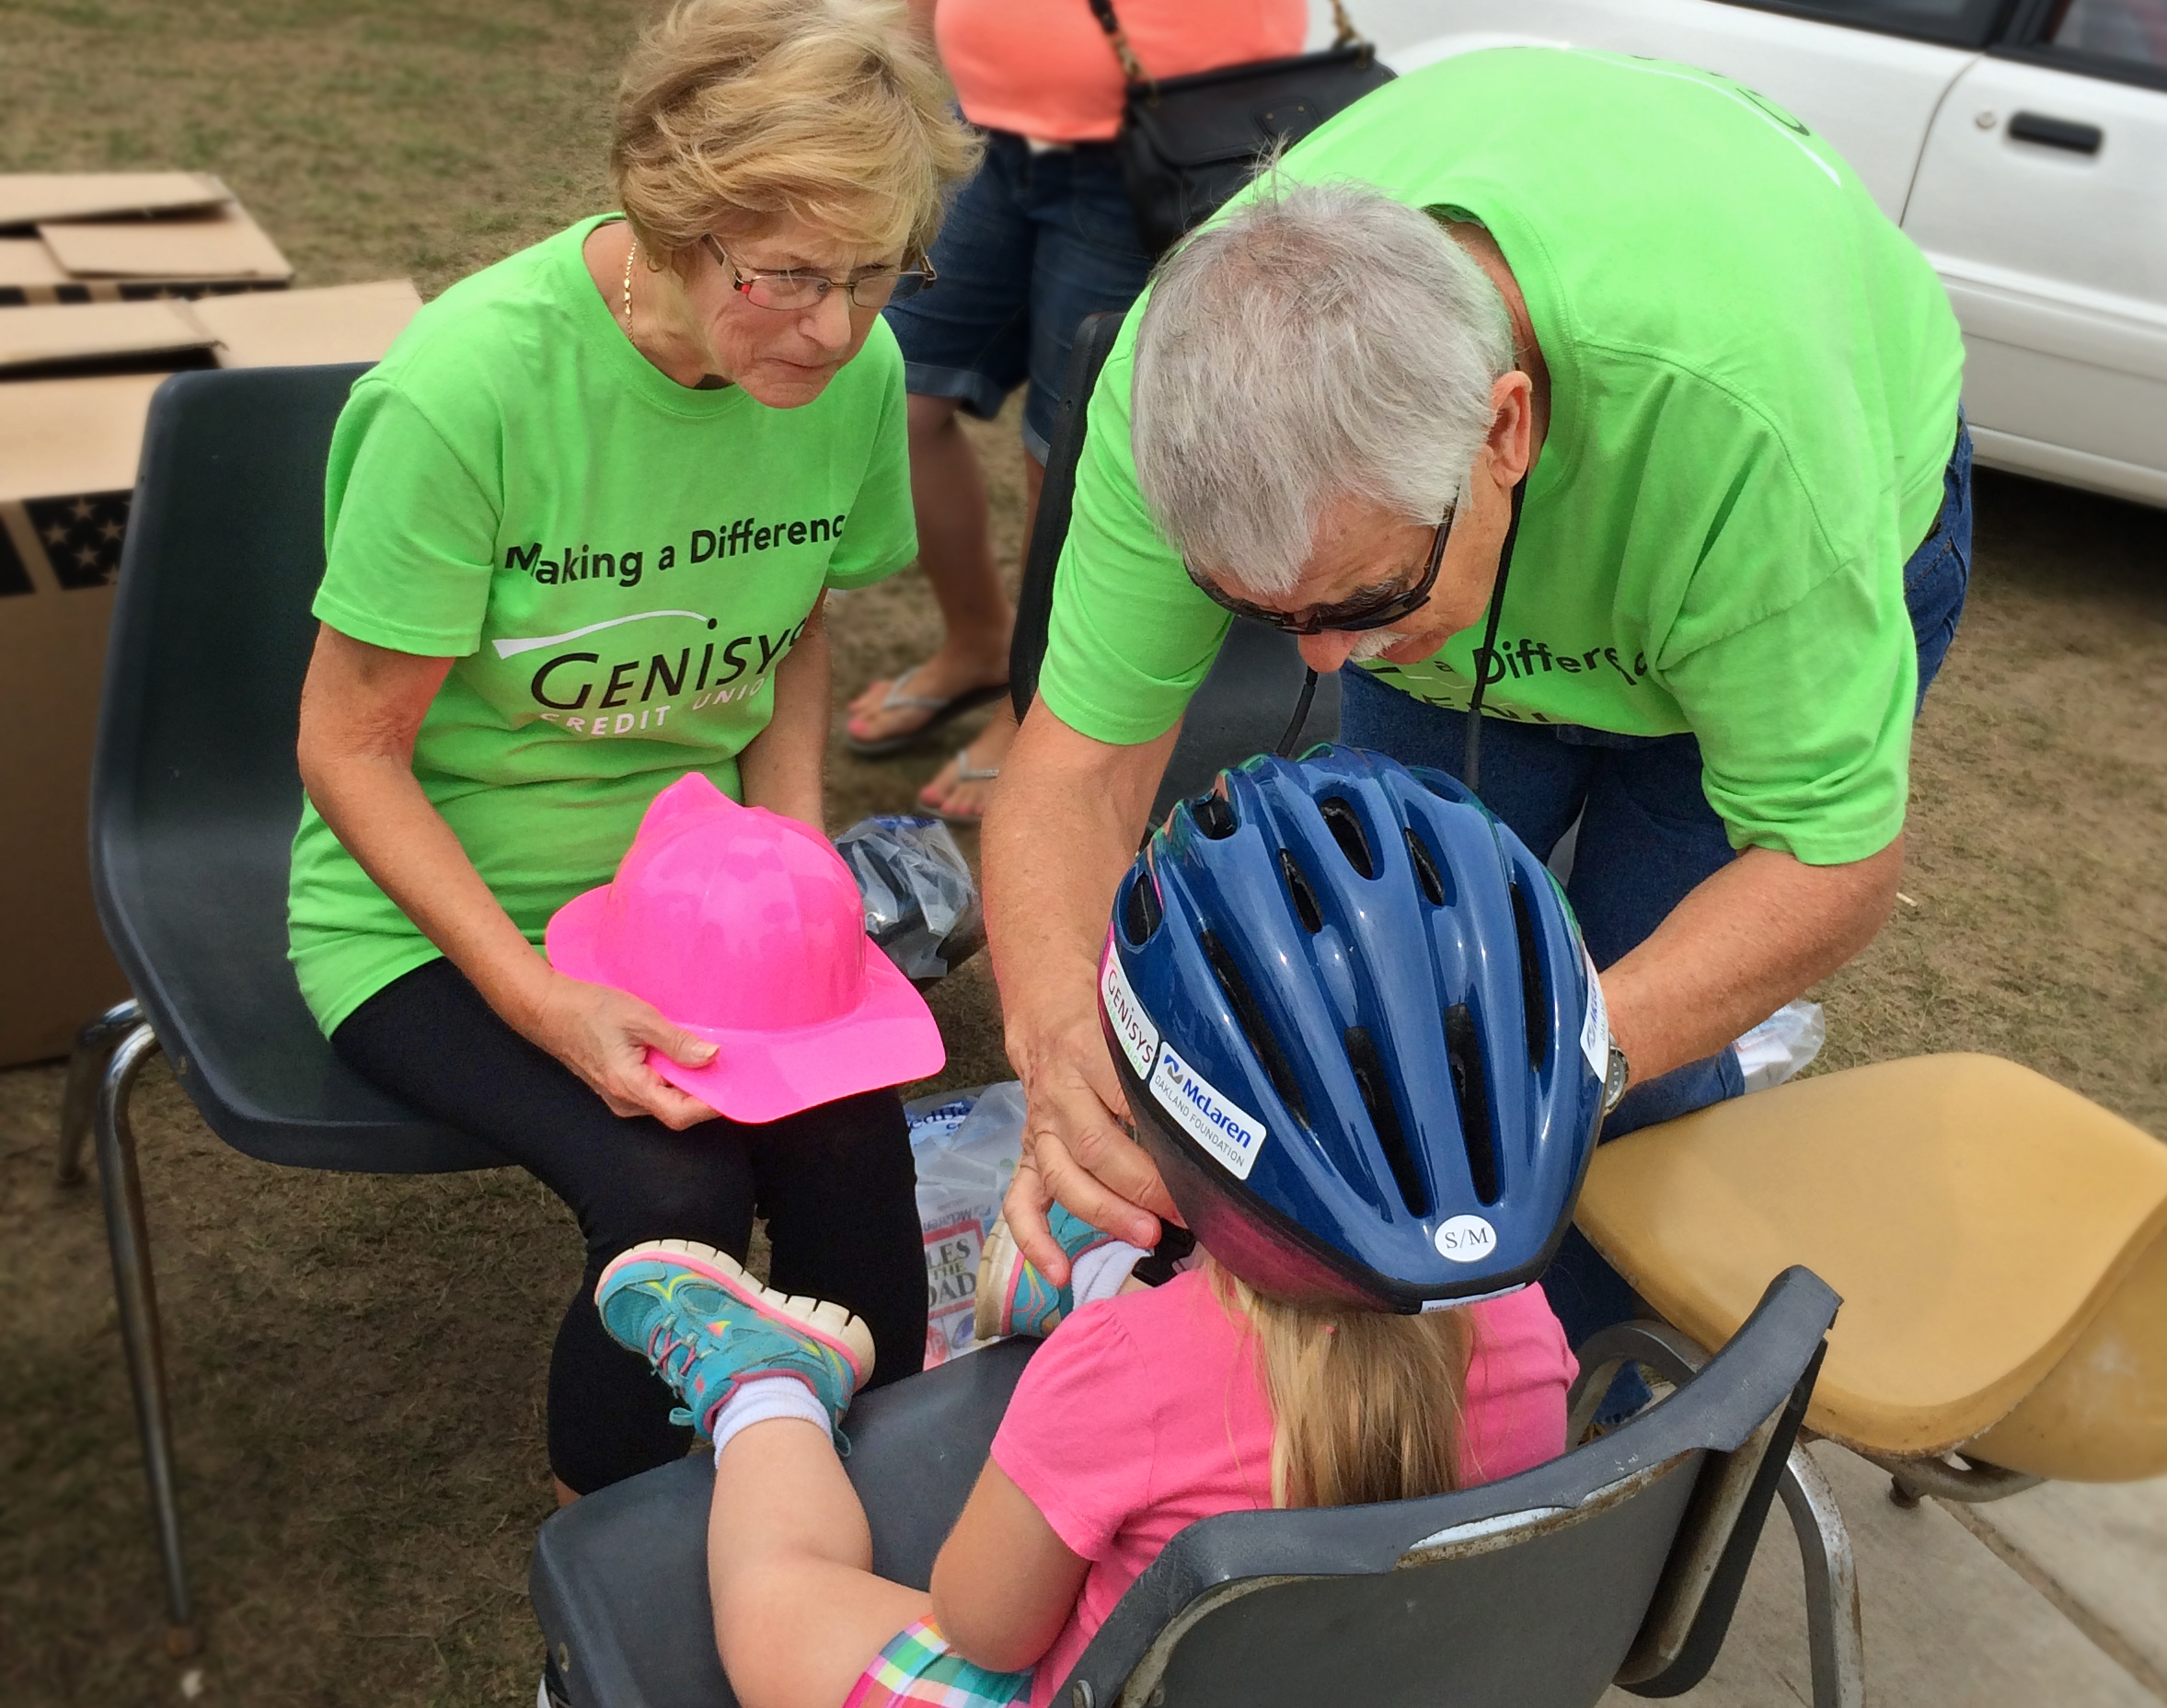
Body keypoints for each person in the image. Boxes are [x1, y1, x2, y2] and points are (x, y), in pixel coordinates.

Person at [979, 49, 1971, 1365]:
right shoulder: (1181, 399)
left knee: (1614, 1071)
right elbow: (1070, 775)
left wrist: (1553, 1076)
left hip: (1747, 525)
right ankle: (1389, 1380)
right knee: (1375, 987)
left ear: (1501, 431)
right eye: (1269, 617)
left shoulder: (1742, 435)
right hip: (1539, 515)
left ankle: (1600, 1400)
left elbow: (1828, 862)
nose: (1325, 668)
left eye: (1361, 596)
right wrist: (1059, 1037)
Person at [286, 0, 980, 1502]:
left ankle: (855, 1526)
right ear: (672, 215)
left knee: (860, 1169)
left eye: (876, 275)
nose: (840, 330)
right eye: (789, 276)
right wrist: (540, 1001)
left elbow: (794, 620)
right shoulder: (468, 389)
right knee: (674, 1189)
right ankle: (615, 1567)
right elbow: (348, 748)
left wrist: (792, 839)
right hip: (435, 915)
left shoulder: (844, 373)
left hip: (705, 901)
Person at [593, 750, 1588, 1708]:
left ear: (1150, 1126)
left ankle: (767, 1383)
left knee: (777, 1603)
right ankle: (1101, 1266)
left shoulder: (1121, 1377)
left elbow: (985, 1626)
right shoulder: (1531, 1326)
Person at [841, 0, 1308, 822]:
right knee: (889, 390)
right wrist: (906, 58)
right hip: (988, 116)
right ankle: (980, 638)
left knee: (1064, 453)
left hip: (1155, 134)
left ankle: (1033, 703)